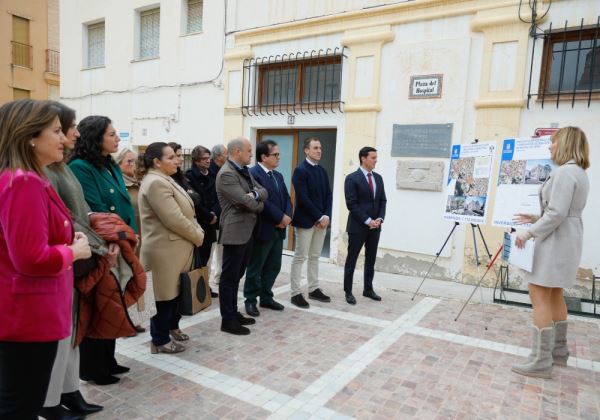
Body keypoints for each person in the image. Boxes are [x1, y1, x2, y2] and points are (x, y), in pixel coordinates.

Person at [0, 99, 91, 420]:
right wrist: (74, 252)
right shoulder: (22, 183)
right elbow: (30, 257)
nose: (65, 139)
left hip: (31, 313)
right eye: (56, 131)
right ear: (29, 137)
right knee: (20, 406)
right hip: (28, 317)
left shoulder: (27, 179)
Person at [512, 126, 590, 379]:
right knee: (555, 293)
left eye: (553, 142)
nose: (550, 146)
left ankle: (541, 360)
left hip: (556, 240)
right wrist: (536, 217)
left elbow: (556, 213)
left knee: (539, 293)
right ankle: (558, 352)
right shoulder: (578, 172)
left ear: (565, 143)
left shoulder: (565, 172)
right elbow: (564, 211)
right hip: (567, 237)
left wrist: (528, 232)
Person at [42, 102, 104, 419]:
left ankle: (70, 391)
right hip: (66, 257)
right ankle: (50, 401)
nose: (76, 133)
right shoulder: (44, 171)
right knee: (59, 335)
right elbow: (63, 219)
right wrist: (98, 243)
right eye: (70, 127)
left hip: (75, 256)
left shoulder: (61, 166)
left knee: (71, 331)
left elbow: (79, 212)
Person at [69, 115, 137, 385]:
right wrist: (115, 239)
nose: (117, 138)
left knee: (114, 304)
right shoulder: (81, 167)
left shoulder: (109, 163)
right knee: (99, 306)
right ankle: (92, 368)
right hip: (103, 246)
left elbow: (123, 204)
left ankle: (108, 360)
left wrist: (129, 235)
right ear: (96, 137)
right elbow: (93, 210)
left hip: (120, 242)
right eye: (111, 134)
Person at [138, 142, 204, 354]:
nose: (177, 160)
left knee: (173, 295)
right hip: (164, 251)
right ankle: (159, 340)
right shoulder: (155, 182)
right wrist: (197, 235)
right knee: (163, 297)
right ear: (157, 162)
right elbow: (173, 218)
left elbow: (186, 213)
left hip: (175, 249)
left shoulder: (164, 179)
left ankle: (167, 331)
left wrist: (196, 230)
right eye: (171, 158)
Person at [215, 137, 267, 335]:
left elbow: (263, 192)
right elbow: (246, 202)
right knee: (229, 278)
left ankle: (233, 312)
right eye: (248, 150)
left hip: (247, 231)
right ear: (237, 151)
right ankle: (227, 320)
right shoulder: (227, 174)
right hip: (235, 232)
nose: (251, 154)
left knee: (237, 276)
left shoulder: (243, 171)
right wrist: (255, 200)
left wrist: (253, 196)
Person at [244, 140, 292, 316]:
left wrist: (287, 216)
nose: (279, 157)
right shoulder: (253, 174)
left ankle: (266, 296)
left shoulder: (277, 175)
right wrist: (279, 217)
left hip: (279, 229)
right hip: (263, 228)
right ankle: (250, 300)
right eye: (275, 154)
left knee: (274, 266)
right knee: (256, 267)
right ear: (264, 156)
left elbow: (286, 198)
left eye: (279, 154)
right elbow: (262, 201)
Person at [290, 137, 333, 308]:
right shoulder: (300, 170)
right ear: (306, 151)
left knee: (315, 256)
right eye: (315, 148)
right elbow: (304, 198)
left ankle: (314, 289)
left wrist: (327, 215)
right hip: (306, 221)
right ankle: (295, 293)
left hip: (322, 221)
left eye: (320, 147)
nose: (319, 150)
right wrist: (319, 217)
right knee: (300, 256)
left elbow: (328, 195)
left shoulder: (322, 170)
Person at [115, 147, 154, 333]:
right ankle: (128, 319)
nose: (133, 165)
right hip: (130, 239)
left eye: (135, 161)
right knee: (128, 279)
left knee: (142, 278)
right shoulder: (118, 184)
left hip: (145, 238)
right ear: (119, 163)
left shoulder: (141, 182)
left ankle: (139, 317)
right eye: (128, 161)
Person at [343, 147, 387, 305]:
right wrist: (368, 220)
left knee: (371, 259)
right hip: (358, 226)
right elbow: (352, 204)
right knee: (352, 260)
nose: (376, 160)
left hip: (375, 227)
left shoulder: (379, 178)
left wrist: (380, 219)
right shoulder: (351, 178)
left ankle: (368, 289)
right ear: (363, 158)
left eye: (376, 157)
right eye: (373, 157)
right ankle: (348, 291)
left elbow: (383, 201)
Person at [186, 146, 220, 289]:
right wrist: (208, 216)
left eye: (209, 158)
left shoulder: (214, 173)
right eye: (204, 159)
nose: (208, 161)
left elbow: (219, 195)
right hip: (199, 222)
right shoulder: (189, 176)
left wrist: (215, 213)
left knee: (207, 258)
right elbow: (193, 201)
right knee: (196, 258)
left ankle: (204, 287)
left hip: (212, 221)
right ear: (196, 160)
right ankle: (194, 289)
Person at [209, 144, 227, 290]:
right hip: (212, 218)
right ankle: (210, 279)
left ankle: (218, 277)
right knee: (212, 251)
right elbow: (213, 196)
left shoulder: (223, 170)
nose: (227, 156)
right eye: (226, 154)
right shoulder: (211, 172)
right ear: (219, 156)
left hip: (222, 218)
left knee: (220, 250)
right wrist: (214, 212)